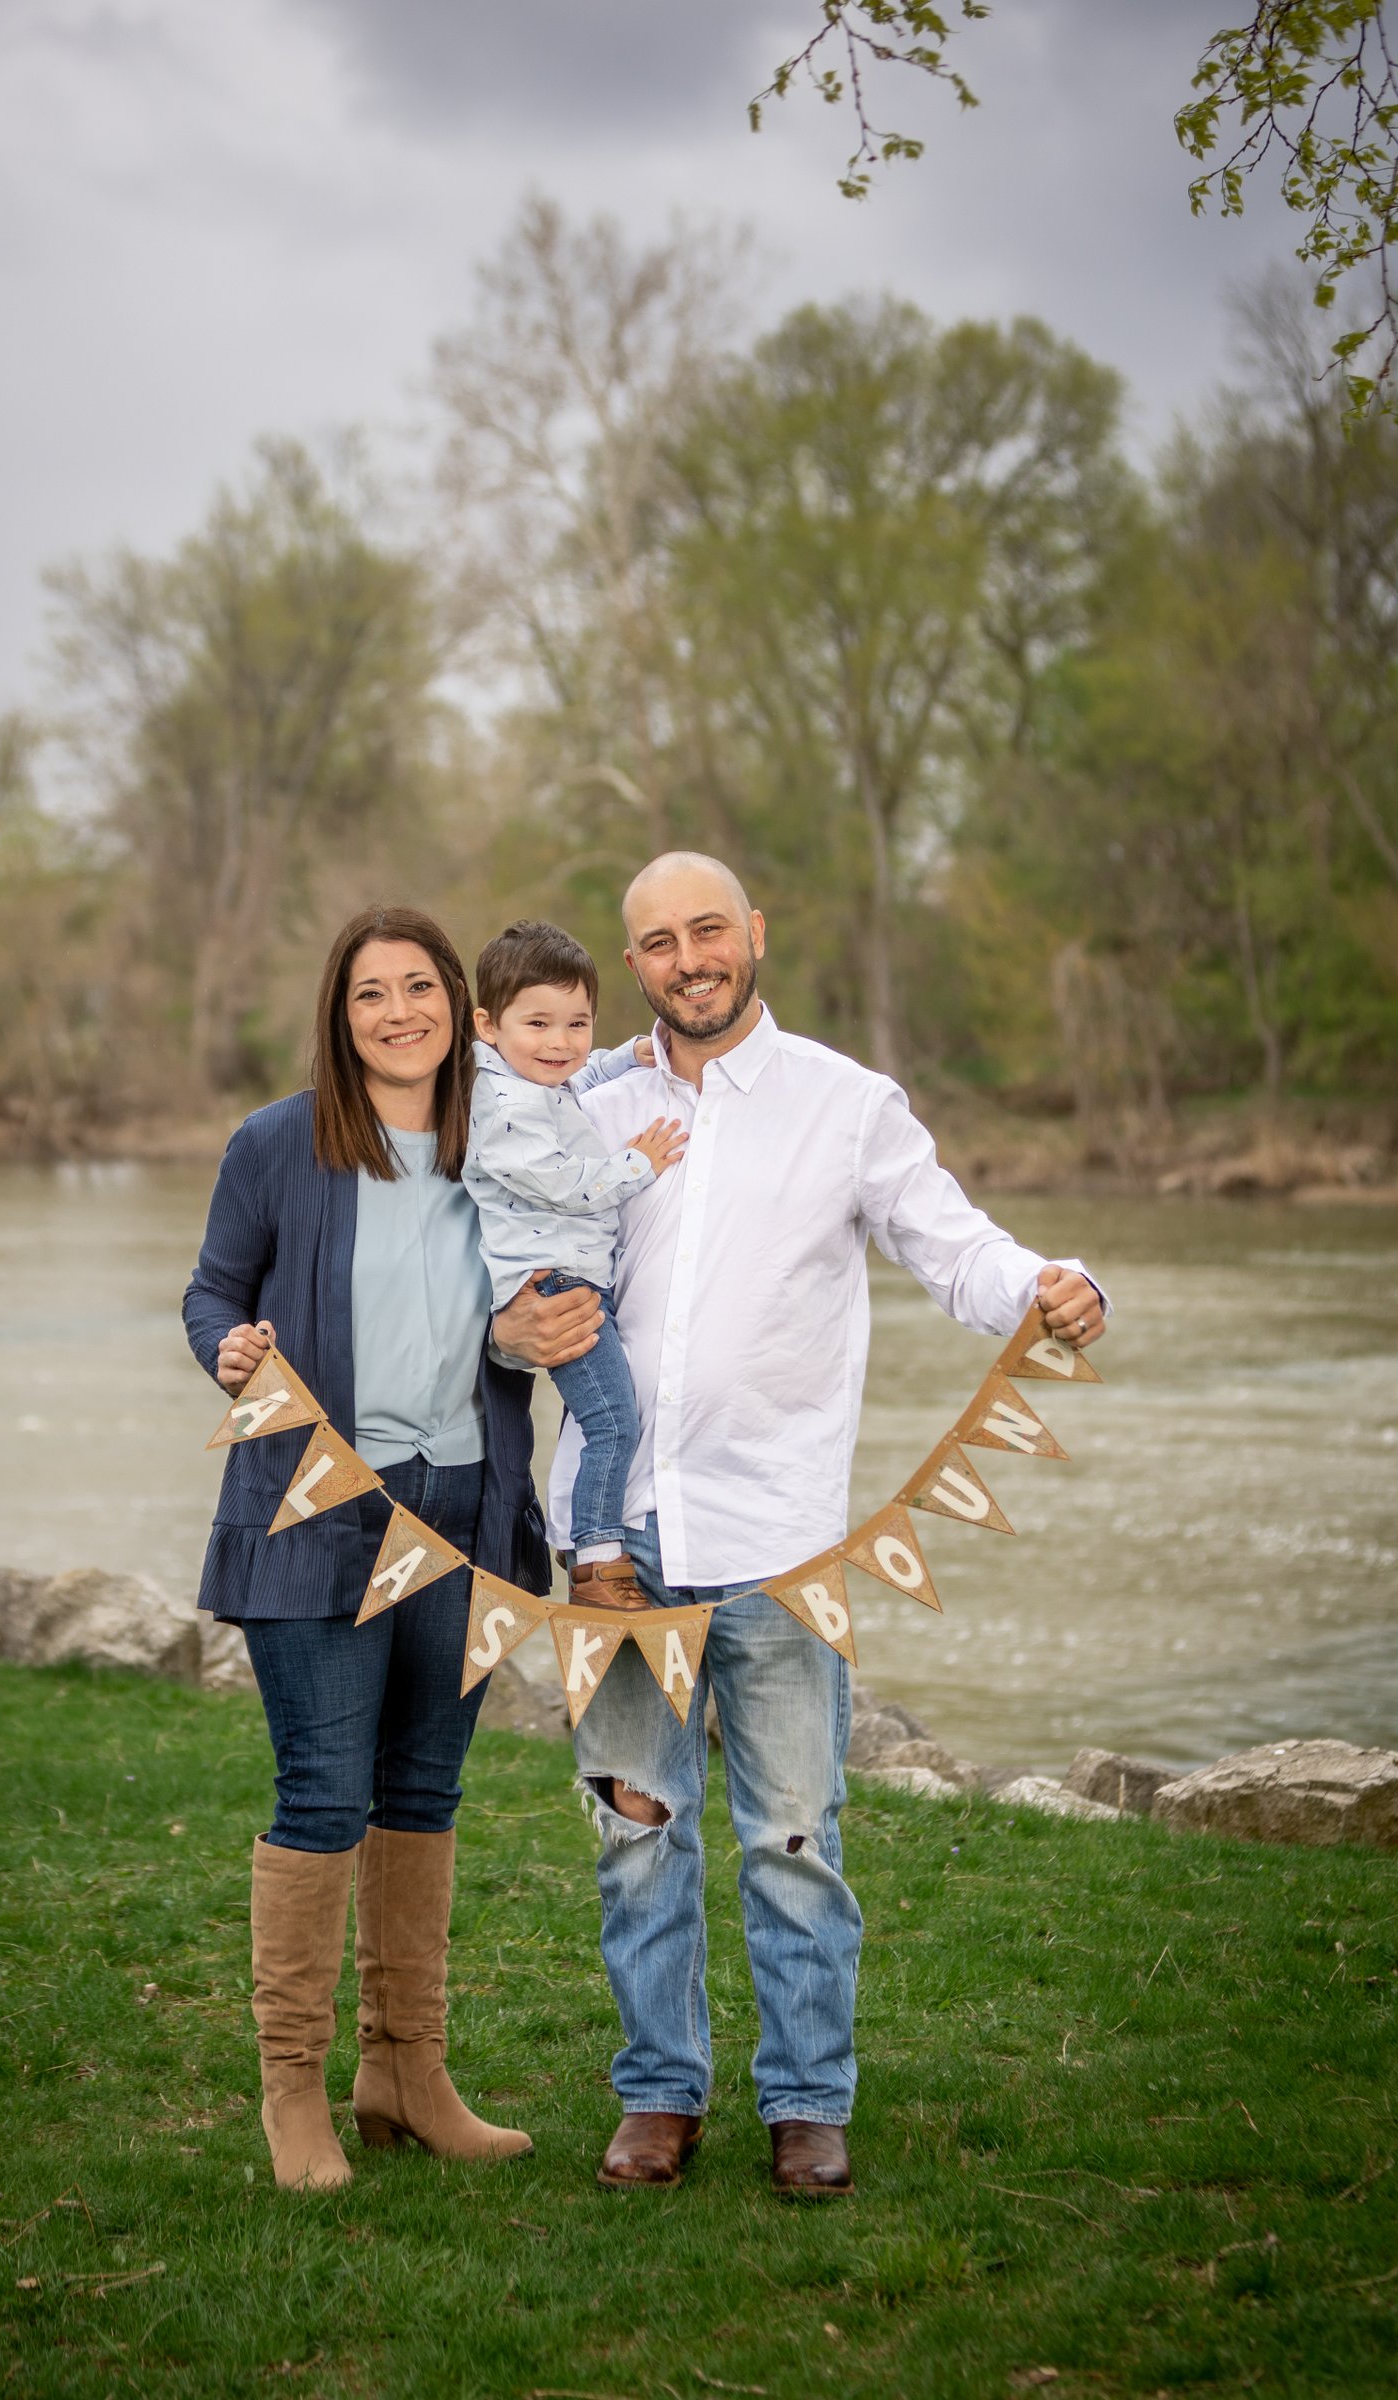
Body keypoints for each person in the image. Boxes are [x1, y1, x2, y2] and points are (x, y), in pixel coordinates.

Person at [501, 852, 1109, 2201]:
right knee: (633, 1827)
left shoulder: (848, 1104)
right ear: (635, 963)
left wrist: (1051, 1285)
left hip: (778, 1542)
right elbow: (477, 1228)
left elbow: (951, 1246)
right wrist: (498, 1324)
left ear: (754, 935)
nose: (686, 959)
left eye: (707, 929)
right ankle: (659, 2095)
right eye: (657, 942)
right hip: (611, 1545)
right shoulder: (578, 1100)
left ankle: (806, 2102)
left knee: (793, 1837)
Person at [182, 904, 556, 2193]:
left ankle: (406, 2072)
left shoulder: (504, 1141)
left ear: (460, 1003)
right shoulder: (278, 1145)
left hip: (469, 1512)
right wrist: (225, 1350)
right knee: (323, 1799)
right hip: (317, 1511)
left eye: (418, 988)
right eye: (368, 995)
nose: (398, 1012)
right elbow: (211, 1294)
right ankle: (294, 2094)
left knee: (423, 1796)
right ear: (339, 1020)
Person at [465, 918, 686, 1610]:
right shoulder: (498, 1107)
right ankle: (596, 1561)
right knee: (614, 1421)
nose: (560, 1043)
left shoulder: (529, 1078)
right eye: (538, 1024)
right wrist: (638, 1165)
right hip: (554, 1286)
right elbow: (564, 1181)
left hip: (576, 1275)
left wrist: (623, 1058)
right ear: (487, 1025)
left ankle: (593, 1547)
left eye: (577, 1023)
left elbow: (571, 1075)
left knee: (613, 1415)